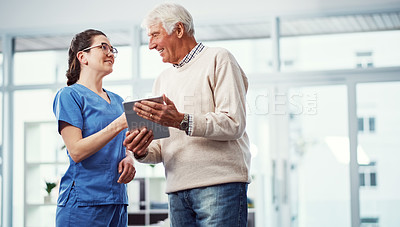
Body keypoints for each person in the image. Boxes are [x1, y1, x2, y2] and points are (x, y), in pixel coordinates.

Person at [124, 3, 252, 226]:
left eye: (155, 35)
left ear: (179, 30)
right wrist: (142, 150)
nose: (151, 45)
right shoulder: (162, 79)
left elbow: (234, 123)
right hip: (177, 191)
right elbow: (162, 147)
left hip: (220, 187)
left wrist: (181, 120)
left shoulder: (219, 59)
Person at [53, 29, 152, 226]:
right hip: (83, 204)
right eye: (103, 47)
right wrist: (119, 123)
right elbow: (76, 151)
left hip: (117, 201)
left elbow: (124, 145)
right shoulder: (69, 96)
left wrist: (130, 158)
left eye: (112, 49)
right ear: (83, 57)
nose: (110, 53)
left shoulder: (117, 101)